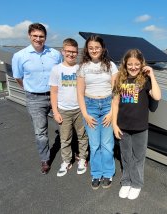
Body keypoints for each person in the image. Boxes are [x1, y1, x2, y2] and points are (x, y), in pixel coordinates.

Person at [12, 23, 62, 175]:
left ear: (45, 37)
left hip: (56, 95)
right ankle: (45, 160)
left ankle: (70, 155)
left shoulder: (55, 54)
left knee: (65, 124)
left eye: (41, 36)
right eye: (35, 36)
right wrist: (31, 89)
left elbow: (61, 73)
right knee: (41, 131)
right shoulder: (19, 56)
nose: (38, 39)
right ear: (29, 36)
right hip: (35, 98)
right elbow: (18, 78)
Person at [112, 49, 161, 200]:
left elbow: (157, 96)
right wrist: (114, 124)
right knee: (126, 156)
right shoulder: (120, 79)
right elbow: (115, 103)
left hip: (140, 128)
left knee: (138, 158)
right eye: (130, 64)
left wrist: (152, 75)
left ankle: (137, 184)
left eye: (137, 64)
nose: (133, 67)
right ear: (125, 65)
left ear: (142, 65)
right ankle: (126, 181)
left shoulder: (145, 80)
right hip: (123, 127)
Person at [76, 35, 118, 189]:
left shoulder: (111, 66)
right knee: (94, 144)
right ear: (87, 49)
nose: (94, 50)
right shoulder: (83, 68)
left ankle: (107, 173)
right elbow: (80, 93)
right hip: (90, 107)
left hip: (107, 105)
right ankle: (96, 173)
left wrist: (112, 112)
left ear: (102, 48)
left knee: (107, 144)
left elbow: (116, 91)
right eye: (91, 47)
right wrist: (85, 114)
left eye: (97, 47)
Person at [49, 38, 88, 177]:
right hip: (63, 110)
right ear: (63, 51)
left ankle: (82, 159)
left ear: (77, 53)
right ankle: (66, 161)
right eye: (68, 51)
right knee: (65, 138)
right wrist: (55, 111)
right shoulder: (56, 69)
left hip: (80, 109)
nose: (71, 54)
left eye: (74, 52)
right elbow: (53, 92)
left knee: (82, 136)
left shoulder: (80, 68)